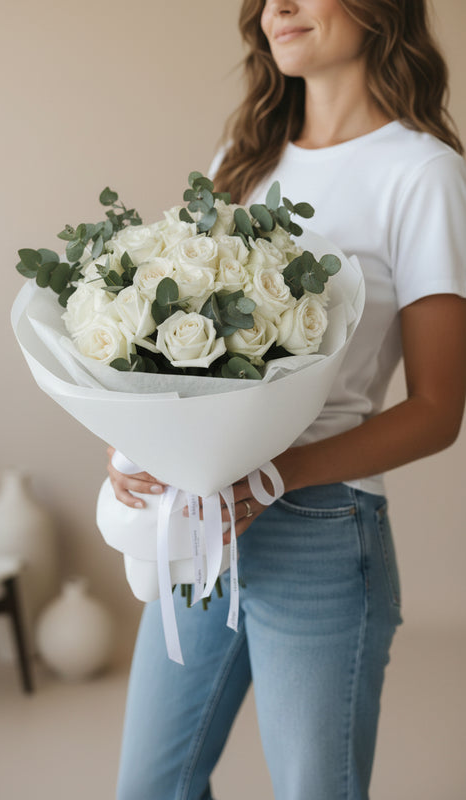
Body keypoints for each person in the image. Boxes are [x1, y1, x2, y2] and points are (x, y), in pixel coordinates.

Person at [109, 2, 466, 798]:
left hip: (321, 528)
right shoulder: (243, 157)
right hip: (203, 522)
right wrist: (136, 441)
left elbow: (438, 410)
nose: (280, 7)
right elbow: (176, 343)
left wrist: (273, 477)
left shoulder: (422, 173)